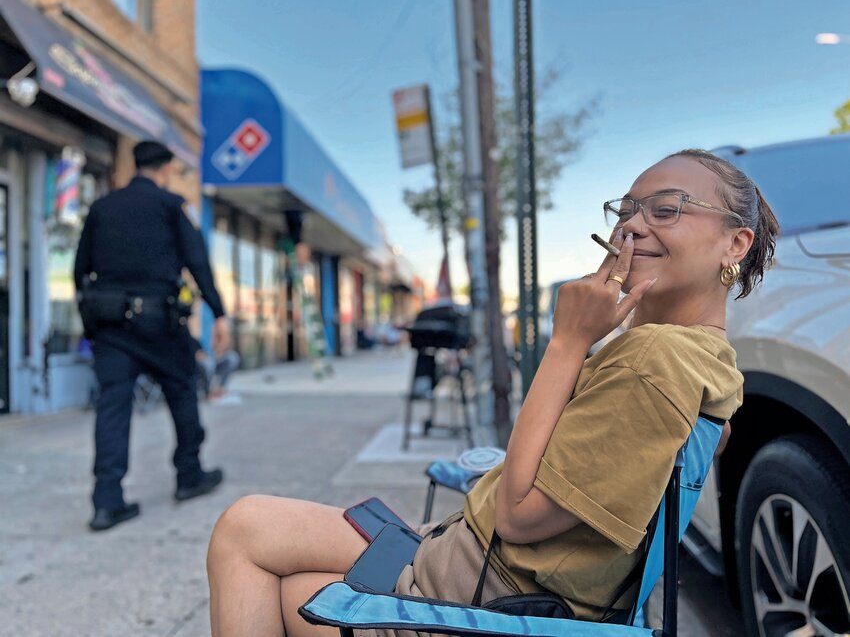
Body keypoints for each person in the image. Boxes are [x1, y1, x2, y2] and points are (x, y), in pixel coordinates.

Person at [205, 149, 779, 636]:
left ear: (735, 244)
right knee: (258, 534)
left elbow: (519, 518)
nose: (631, 225)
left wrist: (567, 344)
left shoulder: (656, 359)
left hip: (491, 593)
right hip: (477, 558)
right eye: (625, 211)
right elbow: (710, 438)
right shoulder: (706, 359)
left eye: (666, 209)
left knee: (248, 535)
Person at [74, 140, 231, 532]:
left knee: (113, 407)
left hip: (111, 324)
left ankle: (106, 502)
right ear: (165, 168)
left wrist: (91, 322)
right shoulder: (172, 205)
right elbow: (197, 262)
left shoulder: (101, 207)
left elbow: (80, 269)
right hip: (160, 322)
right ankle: (189, 476)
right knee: (181, 392)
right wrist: (219, 312)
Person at [191, 335, 241, 401]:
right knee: (209, 363)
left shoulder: (215, 325)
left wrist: (219, 350)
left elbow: (224, 340)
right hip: (199, 357)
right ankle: (208, 392)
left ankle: (220, 388)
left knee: (233, 358)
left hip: (213, 355)